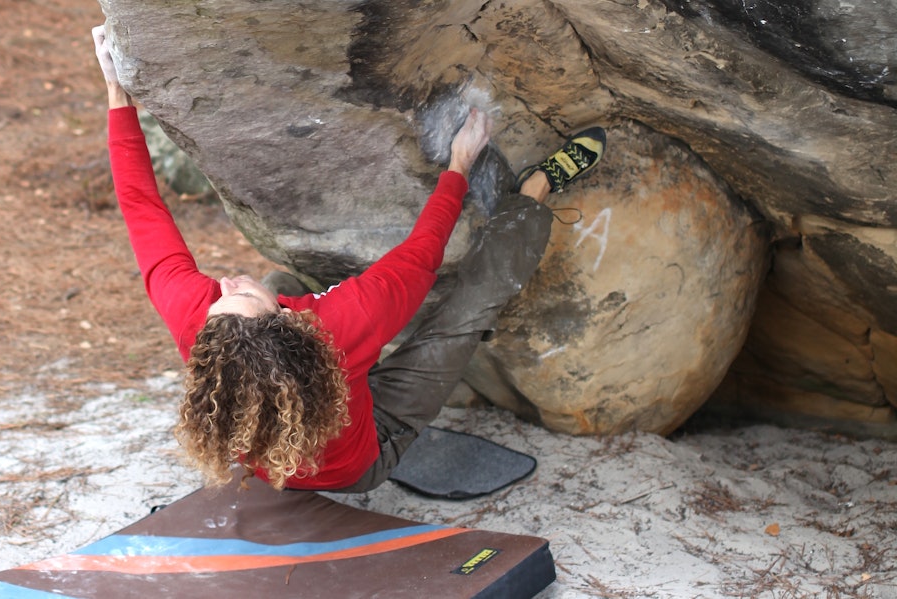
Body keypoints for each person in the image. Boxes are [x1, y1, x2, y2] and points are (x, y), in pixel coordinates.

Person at [92, 26, 605, 493]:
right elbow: (421, 255)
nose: (225, 283)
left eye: (221, 301)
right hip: (364, 460)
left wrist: (118, 96)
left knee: (275, 282)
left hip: (290, 424)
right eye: (240, 295)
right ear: (292, 325)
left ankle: (314, 352)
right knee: (460, 318)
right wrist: (459, 164)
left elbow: (142, 210)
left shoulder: (198, 322)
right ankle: (535, 194)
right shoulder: (343, 326)